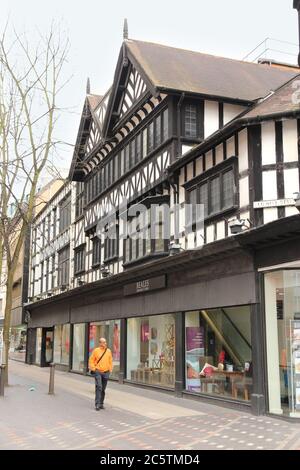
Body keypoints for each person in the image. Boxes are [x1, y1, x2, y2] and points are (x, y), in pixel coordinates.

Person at [89, 337, 113, 411]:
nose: (105, 343)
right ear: (100, 343)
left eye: (105, 342)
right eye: (103, 342)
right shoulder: (96, 351)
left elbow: (110, 361)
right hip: (98, 372)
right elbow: (91, 360)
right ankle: (97, 404)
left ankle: (101, 403)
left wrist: (110, 370)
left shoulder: (108, 351)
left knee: (103, 389)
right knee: (99, 387)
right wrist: (94, 369)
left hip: (106, 372)